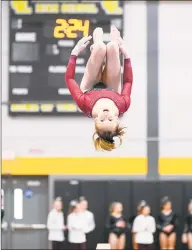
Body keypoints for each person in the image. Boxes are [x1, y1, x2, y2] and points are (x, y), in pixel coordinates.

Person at [65, 25, 133, 151]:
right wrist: (126, 55)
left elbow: (69, 79)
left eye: (102, 119)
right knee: (112, 46)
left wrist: (74, 53)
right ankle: (113, 48)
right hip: (112, 88)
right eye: (110, 119)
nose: (106, 115)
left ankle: (96, 47)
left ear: (96, 121)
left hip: (90, 87)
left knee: (101, 46)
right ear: (117, 120)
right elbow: (128, 81)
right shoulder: (123, 105)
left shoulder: (85, 104)